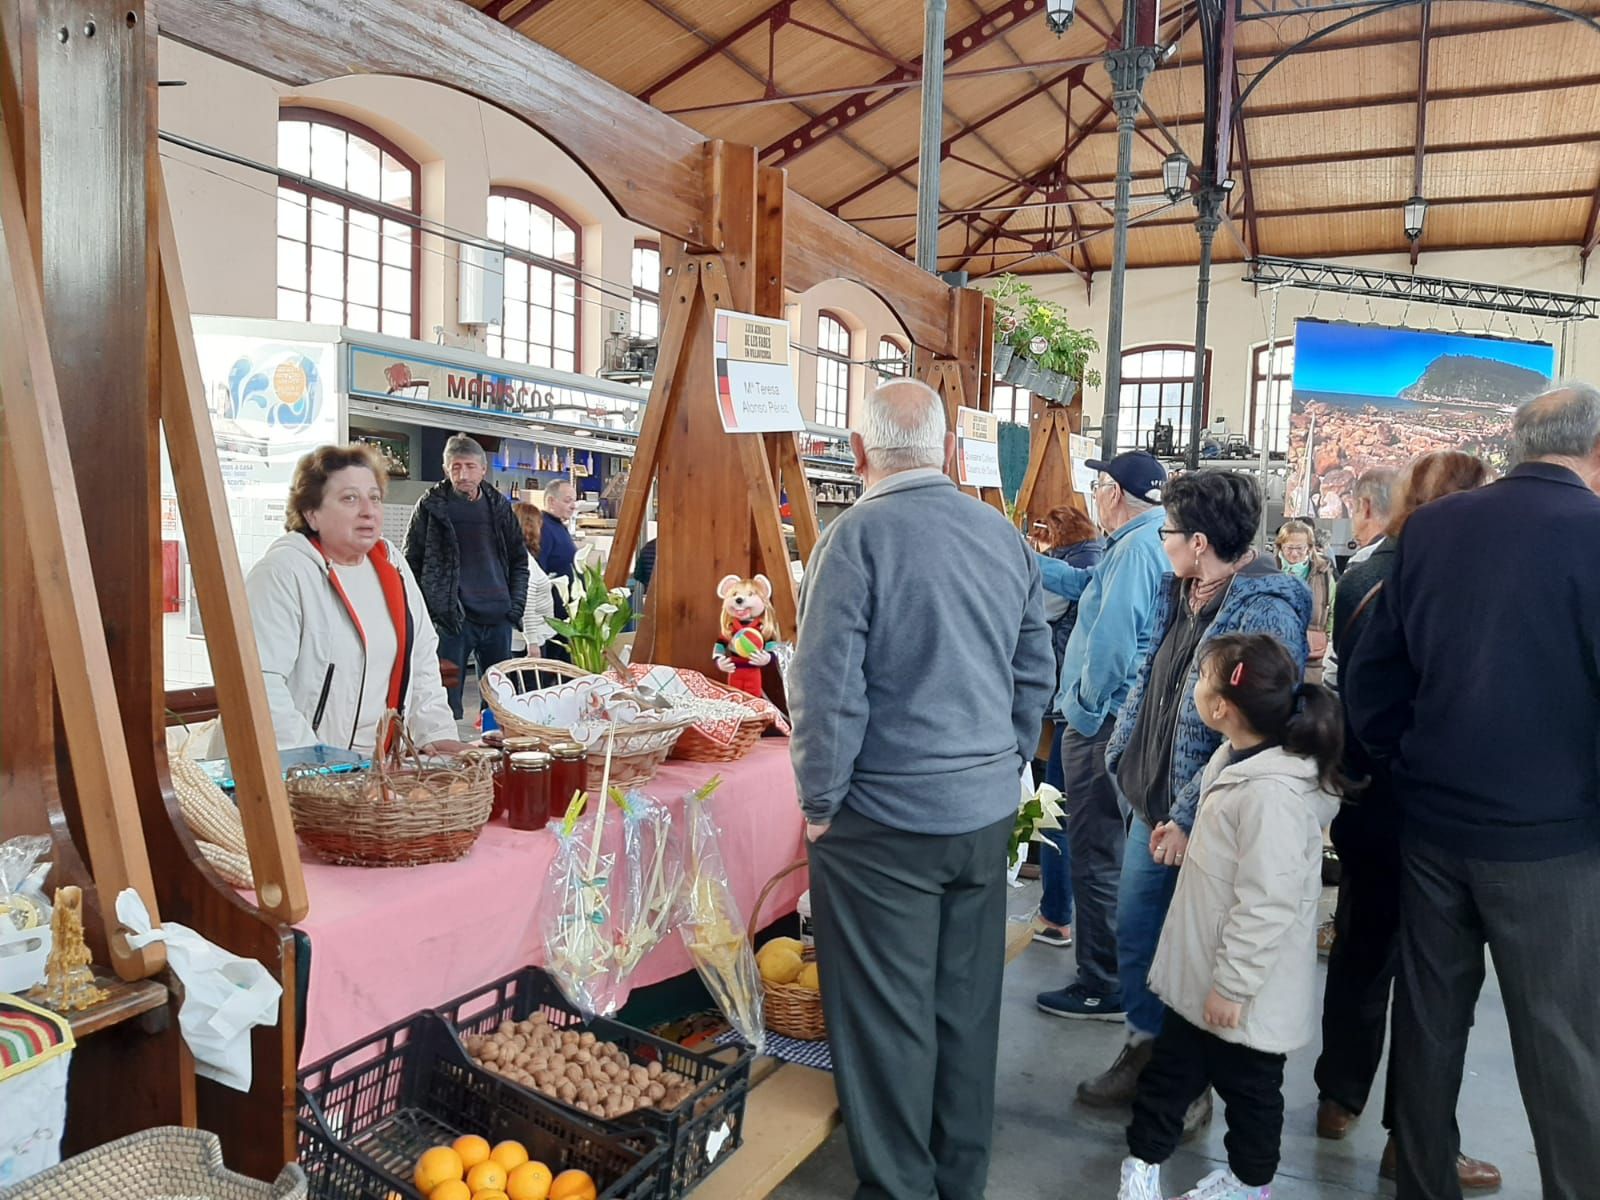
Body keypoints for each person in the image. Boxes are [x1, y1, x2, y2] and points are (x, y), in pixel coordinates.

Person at [789, 379, 1055, 1200]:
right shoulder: (1000, 536)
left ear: (860, 453)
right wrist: (998, 763)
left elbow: (827, 689)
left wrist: (821, 802)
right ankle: (958, 1183)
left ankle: (900, 1190)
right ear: (945, 452)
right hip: (980, 819)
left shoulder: (855, 537)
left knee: (886, 1023)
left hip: (883, 825)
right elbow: (1035, 663)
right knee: (966, 1013)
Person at [1346, 385, 1600, 1200]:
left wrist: (1405, 760)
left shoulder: (1433, 529)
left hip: (1433, 822)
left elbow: (1372, 673)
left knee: (1427, 1024)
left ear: (1518, 444)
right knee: (1561, 1041)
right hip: (1552, 838)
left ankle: (1422, 1185)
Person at [1085, 471, 1309, 1115]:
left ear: (1201, 541)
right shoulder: (1176, 588)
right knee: (1138, 931)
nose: (1163, 540)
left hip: (1200, 814)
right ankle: (1146, 1047)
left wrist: (1187, 813)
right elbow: (1148, 670)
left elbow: (1250, 728)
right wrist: (1120, 748)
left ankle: (1184, 1084)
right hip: (1148, 795)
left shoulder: (1264, 607)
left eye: (1170, 531)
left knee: (1188, 949)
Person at [1313, 450, 1499, 1191]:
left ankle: (1337, 1097)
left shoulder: (1364, 575)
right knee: (1435, 982)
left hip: (1365, 800)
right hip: (1429, 805)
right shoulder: (1454, 582)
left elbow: (1356, 698)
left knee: (1360, 950)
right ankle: (1413, 1139)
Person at [1118, 634, 1343, 1200]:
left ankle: (1248, 1184)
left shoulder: (1273, 797)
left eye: (1200, 679)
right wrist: (1188, 826)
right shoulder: (1240, 757)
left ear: (1221, 707)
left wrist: (1233, 987)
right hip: (1201, 978)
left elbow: (1265, 903)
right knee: (1167, 1078)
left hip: (1240, 993)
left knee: (1251, 1095)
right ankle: (1142, 1167)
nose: (1194, 687)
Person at [1032, 451, 1171, 1022]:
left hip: (1102, 723)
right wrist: (1027, 558)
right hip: (1123, 718)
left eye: (1097, 483)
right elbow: (1087, 585)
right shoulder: (1147, 538)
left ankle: (1102, 983)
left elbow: (1113, 643)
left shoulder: (1136, 549)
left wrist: (1083, 711)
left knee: (1092, 853)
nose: (1094, 493)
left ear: (1112, 491)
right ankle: (1116, 972)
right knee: (1109, 851)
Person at [246, 444, 463, 756]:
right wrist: (314, 762)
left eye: (374, 497)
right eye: (349, 498)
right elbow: (260, 685)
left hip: (374, 772)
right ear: (312, 513)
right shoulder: (282, 573)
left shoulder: (393, 566)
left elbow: (423, 661)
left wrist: (436, 734)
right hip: (302, 776)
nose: (368, 510)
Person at [404, 434, 529, 718]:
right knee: (444, 702)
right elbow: (411, 562)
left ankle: (495, 754)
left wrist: (514, 608)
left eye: (470, 466)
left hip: (498, 617)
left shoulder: (499, 506)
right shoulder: (431, 506)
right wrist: (432, 613)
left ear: (483, 469)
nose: (463, 474)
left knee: (500, 704)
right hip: (452, 620)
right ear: (446, 468)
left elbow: (519, 560)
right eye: (456, 466)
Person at [1031, 504, 1105, 947]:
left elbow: (1037, 613)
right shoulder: (1103, 556)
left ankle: (1056, 913)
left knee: (1054, 806)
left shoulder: (1077, 564)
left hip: (1071, 704)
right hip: (1083, 704)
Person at [1321, 466, 1395, 690]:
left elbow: (1341, 653)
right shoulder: (1418, 555)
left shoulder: (1365, 564)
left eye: (1353, 510)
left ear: (1366, 507)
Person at [1274, 519, 1334, 682]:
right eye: (1289, 548)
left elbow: (1332, 609)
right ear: (1280, 547)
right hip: (1275, 655)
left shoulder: (1323, 573)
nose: (1294, 554)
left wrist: (1328, 640)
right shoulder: (1270, 571)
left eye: (1300, 548)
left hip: (1311, 659)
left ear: (1309, 548)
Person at [534, 479, 580, 661]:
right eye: (568, 500)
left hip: (564, 614)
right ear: (552, 501)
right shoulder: (544, 527)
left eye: (574, 501)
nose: (573, 506)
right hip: (553, 616)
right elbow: (539, 572)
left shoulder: (558, 526)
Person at [512, 501, 557, 657]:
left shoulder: (515, 555)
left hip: (522, 638)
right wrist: (532, 643)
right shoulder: (525, 562)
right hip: (531, 640)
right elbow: (526, 605)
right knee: (532, 681)